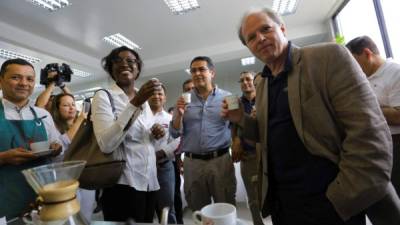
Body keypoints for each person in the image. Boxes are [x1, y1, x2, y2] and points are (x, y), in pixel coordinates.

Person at [221, 7, 396, 225]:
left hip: (332, 204)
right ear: (248, 46)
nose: (261, 38)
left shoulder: (328, 57)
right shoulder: (262, 83)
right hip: (284, 206)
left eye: (266, 29)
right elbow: (266, 135)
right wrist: (240, 119)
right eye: (251, 37)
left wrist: (340, 198)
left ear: (282, 28)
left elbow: (369, 132)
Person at [91, 46, 161, 223]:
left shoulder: (142, 96)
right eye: (118, 60)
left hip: (149, 180)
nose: (125, 64)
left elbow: (148, 137)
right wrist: (135, 104)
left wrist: (158, 132)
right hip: (122, 183)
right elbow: (106, 144)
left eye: (131, 61)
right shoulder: (103, 96)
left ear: (137, 69)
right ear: (110, 69)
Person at [170, 56, 236, 211]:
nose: (197, 73)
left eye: (202, 69)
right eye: (193, 70)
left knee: (225, 207)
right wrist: (179, 114)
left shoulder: (228, 97)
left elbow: (237, 125)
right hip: (193, 164)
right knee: (198, 210)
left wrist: (238, 142)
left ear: (212, 73)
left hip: (221, 161)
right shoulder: (182, 100)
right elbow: (173, 133)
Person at [0, 58, 62, 221]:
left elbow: (58, 149)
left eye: (29, 79)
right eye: (16, 77)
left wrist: (57, 149)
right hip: (5, 201)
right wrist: (3, 158)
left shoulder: (44, 115)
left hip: (42, 200)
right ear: (1, 81)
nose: (23, 83)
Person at [346, 35, 400, 195]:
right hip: (380, 147)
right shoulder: (365, 78)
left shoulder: (395, 72)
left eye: (354, 61)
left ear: (367, 53)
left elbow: (398, 116)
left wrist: (366, 106)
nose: (353, 68)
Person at [231, 71, 264, 225]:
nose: (245, 82)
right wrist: (236, 139)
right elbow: (232, 125)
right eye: (242, 80)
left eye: (248, 79)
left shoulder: (265, 98)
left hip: (268, 154)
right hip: (248, 156)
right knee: (253, 198)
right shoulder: (236, 103)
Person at [148, 84, 180, 224]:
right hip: (143, 168)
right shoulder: (141, 117)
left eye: (160, 94)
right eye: (153, 93)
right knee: (146, 209)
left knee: (167, 209)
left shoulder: (170, 119)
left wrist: (159, 154)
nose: (156, 96)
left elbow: (178, 140)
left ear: (165, 98)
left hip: (164, 167)